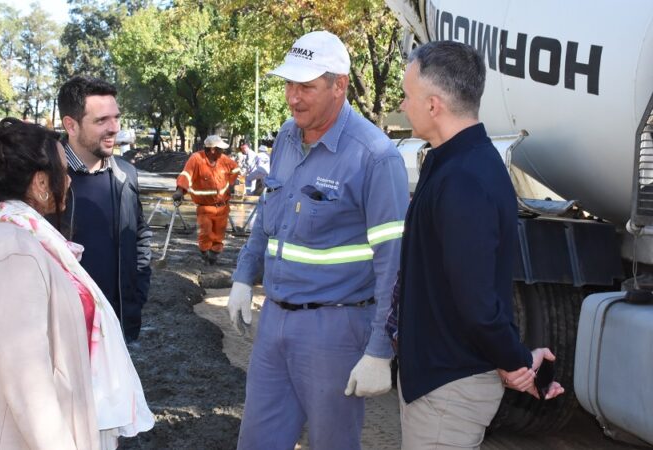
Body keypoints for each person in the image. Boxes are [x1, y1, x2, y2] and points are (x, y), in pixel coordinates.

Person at [227, 30, 409, 449]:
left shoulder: (374, 157)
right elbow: (268, 217)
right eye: (289, 84)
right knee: (257, 440)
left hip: (336, 331)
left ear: (339, 85)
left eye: (306, 87)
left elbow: (394, 265)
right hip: (275, 321)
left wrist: (380, 349)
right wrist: (243, 276)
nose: (293, 97)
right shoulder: (287, 138)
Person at [0, 118, 153, 450]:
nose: (68, 181)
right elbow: (29, 385)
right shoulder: (16, 252)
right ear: (40, 183)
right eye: (63, 172)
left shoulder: (7, 231)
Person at [395, 40, 564, 449]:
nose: (402, 105)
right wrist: (514, 361)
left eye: (407, 95)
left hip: (446, 392)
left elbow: (477, 302)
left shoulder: (464, 178)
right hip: (441, 383)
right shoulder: (454, 164)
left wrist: (516, 361)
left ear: (433, 105)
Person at [0, 76, 152, 344]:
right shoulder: (33, 173)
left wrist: (136, 296)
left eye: (116, 118)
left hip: (114, 327)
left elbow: (139, 235)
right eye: (101, 120)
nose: (114, 128)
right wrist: (19, 307)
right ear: (71, 124)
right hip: (56, 335)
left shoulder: (126, 175)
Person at [172, 135, 240, 265]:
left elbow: (235, 169)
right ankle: (205, 253)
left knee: (219, 234)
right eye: (220, 149)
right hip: (205, 207)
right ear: (212, 150)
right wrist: (180, 191)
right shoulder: (196, 159)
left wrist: (231, 183)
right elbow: (186, 174)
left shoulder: (223, 160)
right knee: (206, 233)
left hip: (222, 206)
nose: (222, 151)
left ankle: (213, 256)